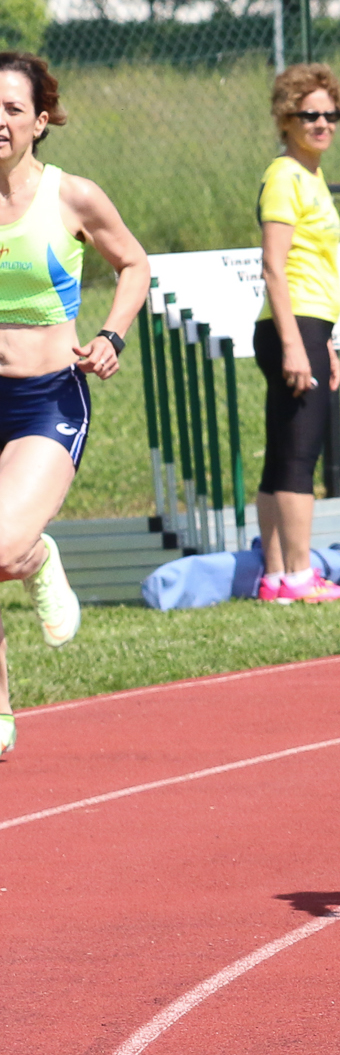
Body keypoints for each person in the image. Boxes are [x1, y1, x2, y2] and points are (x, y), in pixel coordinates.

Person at [0, 53, 151, 761]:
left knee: (2, 546)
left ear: (40, 120)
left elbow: (135, 264)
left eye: (11, 109)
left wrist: (111, 335)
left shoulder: (72, 197)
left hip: (46, 399)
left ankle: (36, 558)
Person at [255, 65, 340, 603]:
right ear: (286, 118)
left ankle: (275, 578)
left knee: (281, 455)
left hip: (309, 326)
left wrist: (325, 342)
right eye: (309, 115)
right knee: (300, 455)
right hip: (291, 325)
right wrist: (296, 344)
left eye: (330, 114)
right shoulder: (285, 176)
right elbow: (274, 266)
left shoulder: (312, 176)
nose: (322, 123)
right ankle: (301, 576)